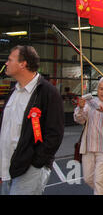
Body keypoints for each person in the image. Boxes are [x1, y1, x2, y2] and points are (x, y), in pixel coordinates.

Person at [0, 45, 64, 195]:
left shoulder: (48, 92)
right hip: (7, 169)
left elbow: (55, 134)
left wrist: (36, 163)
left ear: (23, 64)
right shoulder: (13, 91)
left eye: (10, 60)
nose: (6, 64)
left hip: (29, 170)